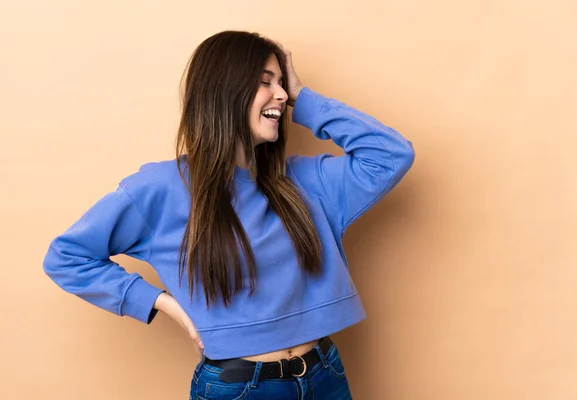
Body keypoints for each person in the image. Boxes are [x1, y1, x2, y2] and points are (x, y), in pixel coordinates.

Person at [43, 30, 415, 399]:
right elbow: (66, 257)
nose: (282, 95)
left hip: (325, 374)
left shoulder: (307, 180)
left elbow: (392, 155)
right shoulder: (160, 188)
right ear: (224, 92)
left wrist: (304, 98)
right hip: (238, 388)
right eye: (265, 82)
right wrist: (166, 305)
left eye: (283, 84)